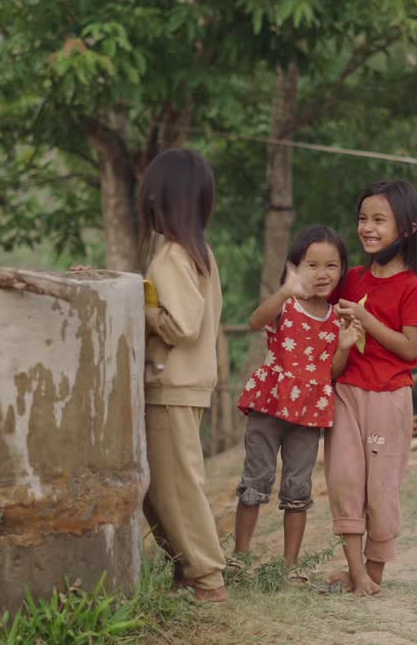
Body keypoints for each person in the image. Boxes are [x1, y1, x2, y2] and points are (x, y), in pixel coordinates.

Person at [232, 226, 362, 574]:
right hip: (271, 404)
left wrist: (345, 346)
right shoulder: (286, 304)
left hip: (309, 413)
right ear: (294, 267)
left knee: (298, 486)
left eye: (331, 266)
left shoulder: (337, 319)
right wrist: (284, 291)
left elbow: (331, 371)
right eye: (312, 265)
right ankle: (239, 557)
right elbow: (254, 322)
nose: (322, 274)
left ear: (342, 269)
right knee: (256, 479)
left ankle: (289, 567)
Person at [326, 180, 417, 597]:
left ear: (407, 228)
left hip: (389, 399)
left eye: (378, 220)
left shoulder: (413, 287)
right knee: (344, 479)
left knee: (380, 489)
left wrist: (368, 323)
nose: (367, 228)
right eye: (362, 219)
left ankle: (373, 573)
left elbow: (409, 348)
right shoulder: (349, 279)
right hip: (347, 392)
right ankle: (357, 573)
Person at [139, 148, 229, 603]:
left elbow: (181, 324)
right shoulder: (197, 253)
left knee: (176, 487)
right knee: (158, 487)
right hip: (181, 384)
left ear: (160, 199)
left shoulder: (171, 258)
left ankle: (208, 581)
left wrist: (143, 307)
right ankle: (186, 574)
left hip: (170, 384)